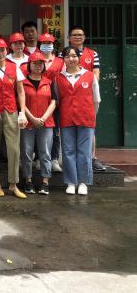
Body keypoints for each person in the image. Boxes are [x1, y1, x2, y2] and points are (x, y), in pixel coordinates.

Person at [0, 38, 28, 198]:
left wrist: (22, 112)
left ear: (6, 51)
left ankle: (13, 184)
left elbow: (20, 91)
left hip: (11, 110)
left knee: (14, 148)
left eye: (2, 50)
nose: (0, 53)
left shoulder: (14, 67)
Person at [56, 46, 100, 195]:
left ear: (79, 58)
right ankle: (71, 182)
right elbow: (57, 99)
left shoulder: (89, 75)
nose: (71, 59)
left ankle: (83, 182)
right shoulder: (58, 78)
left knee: (85, 151)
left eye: (74, 56)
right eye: (67, 56)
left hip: (86, 119)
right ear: (63, 59)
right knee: (68, 151)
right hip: (66, 118)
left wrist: (92, 115)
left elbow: (96, 99)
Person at [67, 25, 105, 172]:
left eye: (80, 35)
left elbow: (96, 74)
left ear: (84, 37)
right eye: (75, 35)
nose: (78, 37)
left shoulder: (92, 54)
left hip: (86, 97)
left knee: (89, 127)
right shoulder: (65, 53)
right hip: (69, 96)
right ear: (69, 38)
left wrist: (87, 89)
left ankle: (92, 157)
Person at [20, 51, 57, 195]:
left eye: (41, 63)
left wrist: (43, 118)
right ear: (29, 65)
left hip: (46, 123)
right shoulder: (23, 82)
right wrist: (32, 118)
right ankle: (28, 181)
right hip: (27, 123)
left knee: (45, 153)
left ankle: (45, 182)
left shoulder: (49, 82)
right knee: (26, 152)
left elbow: (53, 102)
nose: (38, 66)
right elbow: (20, 103)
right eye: (35, 63)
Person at [38, 32, 65, 173]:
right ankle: (38, 158)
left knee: (55, 131)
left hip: (56, 100)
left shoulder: (60, 62)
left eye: (49, 43)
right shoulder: (35, 59)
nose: (47, 46)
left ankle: (54, 158)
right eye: (44, 43)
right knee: (37, 128)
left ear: (53, 45)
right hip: (38, 99)